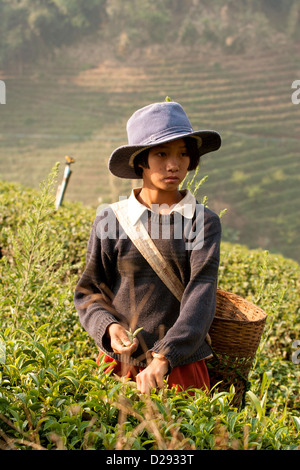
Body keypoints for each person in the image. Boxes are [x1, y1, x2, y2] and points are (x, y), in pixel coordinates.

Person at [74, 100, 222, 395]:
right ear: (140, 160)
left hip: (180, 367)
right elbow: (89, 289)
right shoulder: (112, 219)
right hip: (120, 364)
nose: (174, 164)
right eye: (162, 154)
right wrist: (108, 327)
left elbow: (200, 295)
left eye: (183, 154)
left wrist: (165, 356)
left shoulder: (202, 222)